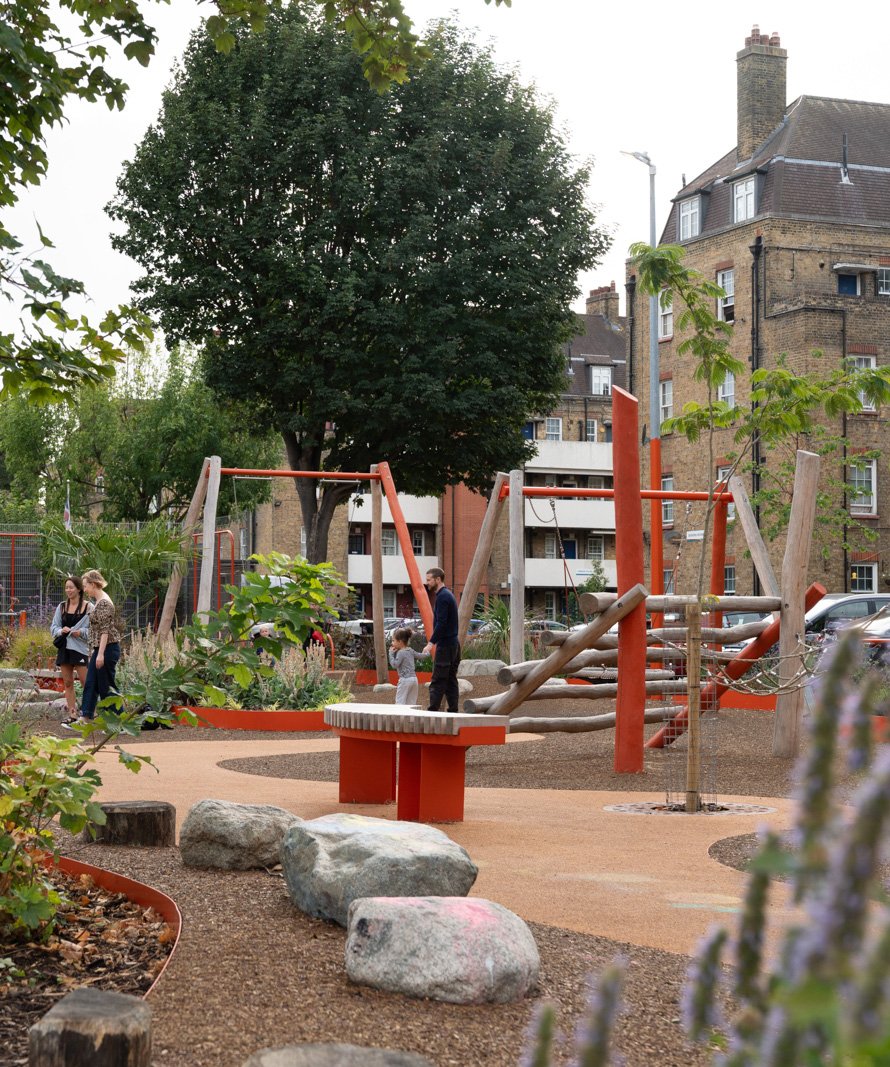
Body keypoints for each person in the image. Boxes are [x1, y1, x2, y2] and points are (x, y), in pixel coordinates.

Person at [64, 569, 121, 727]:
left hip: (108, 648)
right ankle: (86, 717)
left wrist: (100, 654)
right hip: (100, 649)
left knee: (106, 686)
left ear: (94, 584)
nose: (84, 589)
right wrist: (95, 652)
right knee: (90, 683)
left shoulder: (104, 603)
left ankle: (118, 720)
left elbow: (105, 631)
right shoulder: (98, 601)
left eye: (85, 586)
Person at [52, 576, 91, 724]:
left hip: (80, 649)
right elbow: (53, 627)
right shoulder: (61, 607)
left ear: (79, 589)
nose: (68, 590)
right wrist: (62, 630)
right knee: (68, 682)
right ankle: (72, 714)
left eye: (71, 587)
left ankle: (89, 713)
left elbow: (94, 630)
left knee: (85, 682)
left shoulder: (89, 608)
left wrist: (80, 632)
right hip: (64, 648)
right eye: (66, 587)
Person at [422, 568, 461, 713]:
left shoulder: (443, 597)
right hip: (453, 644)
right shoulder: (447, 595)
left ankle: (433, 711)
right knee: (451, 680)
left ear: (438, 579)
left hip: (445, 645)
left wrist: (431, 643)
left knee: (438, 680)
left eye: (429, 580)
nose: (427, 583)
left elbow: (441, 623)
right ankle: (453, 710)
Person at [389, 627, 424, 706]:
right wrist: (427, 652)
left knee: (400, 703)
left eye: (393, 640)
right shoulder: (410, 650)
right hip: (414, 680)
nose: (392, 643)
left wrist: (391, 654)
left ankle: (398, 718)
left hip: (405, 680)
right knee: (411, 704)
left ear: (400, 641)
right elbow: (420, 656)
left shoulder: (401, 652)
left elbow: (395, 665)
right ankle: (411, 718)